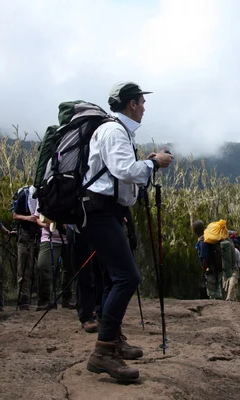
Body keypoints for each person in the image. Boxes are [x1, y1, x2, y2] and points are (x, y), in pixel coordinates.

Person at [81, 81, 173, 382]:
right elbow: (124, 170)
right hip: (100, 212)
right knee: (127, 277)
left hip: (105, 211)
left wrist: (146, 163)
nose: (145, 108)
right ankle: (103, 352)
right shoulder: (113, 131)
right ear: (131, 104)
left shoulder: (115, 131)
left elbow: (121, 169)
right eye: (142, 102)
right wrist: (154, 163)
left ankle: (114, 340)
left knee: (112, 278)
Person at [67, 224, 100, 333]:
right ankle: (86, 316)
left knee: (100, 271)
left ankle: (100, 311)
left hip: (99, 228)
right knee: (84, 274)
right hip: (78, 230)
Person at [12, 186, 39, 310]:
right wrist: (28, 218)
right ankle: (23, 301)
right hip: (25, 233)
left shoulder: (43, 195)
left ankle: (41, 298)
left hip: (39, 234)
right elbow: (15, 215)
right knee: (24, 268)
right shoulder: (25, 195)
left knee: (41, 267)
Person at [192, 220, 223, 300]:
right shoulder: (205, 239)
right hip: (215, 269)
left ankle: (218, 311)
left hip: (211, 271)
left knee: (213, 294)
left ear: (195, 230)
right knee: (216, 292)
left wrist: (203, 273)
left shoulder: (203, 242)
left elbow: (205, 259)